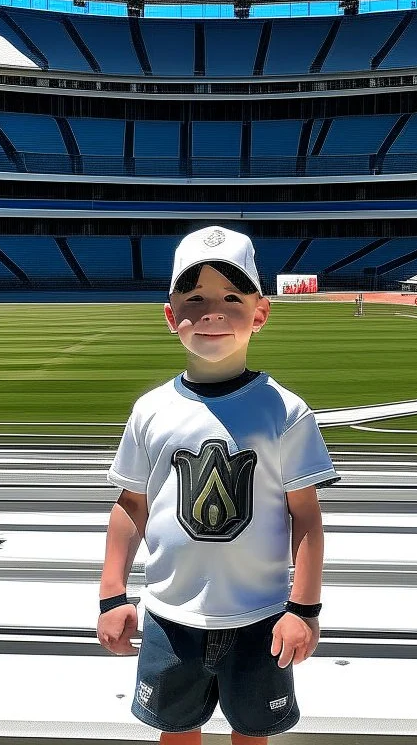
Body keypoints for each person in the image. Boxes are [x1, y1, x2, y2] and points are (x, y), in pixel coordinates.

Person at [97, 225, 338, 744]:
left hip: (262, 614)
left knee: (252, 733)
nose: (212, 313)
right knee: (176, 731)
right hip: (168, 612)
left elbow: (306, 518)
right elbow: (131, 505)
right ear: (170, 316)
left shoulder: (285, 411)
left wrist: (305, 609)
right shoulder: (152, 410)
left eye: (232, 297)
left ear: (260, 313)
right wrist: (111, 594)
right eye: (194, 297)